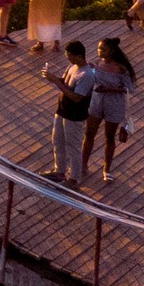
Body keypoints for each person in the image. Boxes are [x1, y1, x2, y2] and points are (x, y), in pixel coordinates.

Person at [81, 37, 137, 184]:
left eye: (103, 49)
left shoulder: (121, 68)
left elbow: (129, 89)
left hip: (114, 104)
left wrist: (109, 89)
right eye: (99, 49)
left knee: (109, 136)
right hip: (97, 101)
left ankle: (106, 169)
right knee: (89, 133)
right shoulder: (98, 63)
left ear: (111, 50)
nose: (100, 51)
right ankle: (83, 164)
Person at [41, 41, 93, 186]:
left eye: (70, 56)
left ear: (79, 56)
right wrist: (53, 78)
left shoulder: (87, 74)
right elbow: (65, 81)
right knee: (57, 140)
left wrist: (56, 82)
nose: (68, 59)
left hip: (75, 114)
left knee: (73, 146)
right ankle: (60, 171)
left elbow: (77, 97)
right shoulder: (72, 67)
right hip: (62, 109)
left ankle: (74, 179)